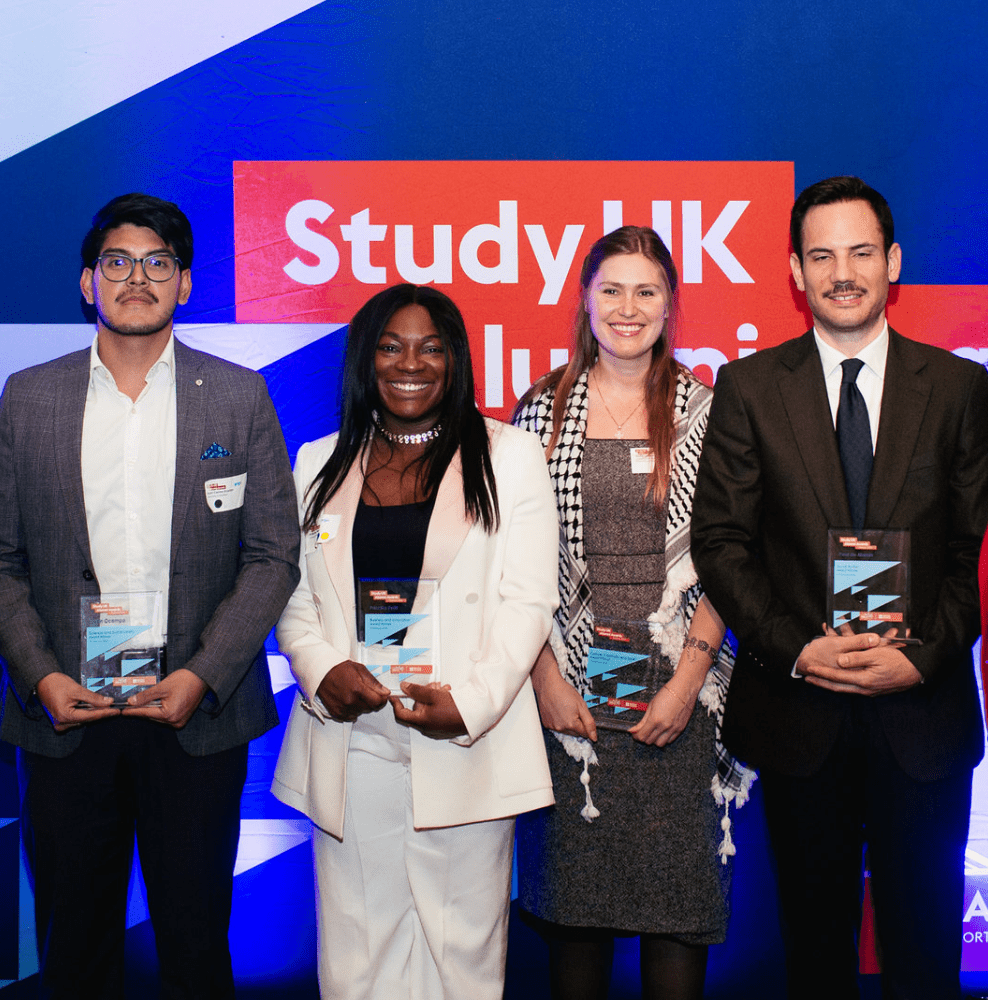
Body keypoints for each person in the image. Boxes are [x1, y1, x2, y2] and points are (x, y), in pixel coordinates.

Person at [0, 193, 301, 1000]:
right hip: (64, 714)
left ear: (186, 284)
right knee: (76, 949)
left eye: (158, 262)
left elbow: (272, 556)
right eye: (118, 262)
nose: (138, 277)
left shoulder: (238, 396)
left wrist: (204, 673)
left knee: (197, 948)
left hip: (194, 715)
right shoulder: (28, 398)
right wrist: (40, 675)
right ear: (89, 283)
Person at [692, 176, 988, 999]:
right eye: (822, 255)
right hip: (799, 718)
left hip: (921, 719)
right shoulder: (749, 389)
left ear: (893, 262)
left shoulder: (961, 390)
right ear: (795, 270)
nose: (843, 272)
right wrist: (800, 650)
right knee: (814, 954)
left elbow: (973, 551)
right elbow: (720, 544)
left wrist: (924, 658)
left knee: (925, 954)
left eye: (861, 252)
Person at [270, 283, 559, 1000]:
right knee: (357, 958)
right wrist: (319, 670)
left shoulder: (511, 455)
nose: (411, 362)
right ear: (365, 361)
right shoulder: (317, 462)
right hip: (352, 737)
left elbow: (529, 600)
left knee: (460, 957)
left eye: (431, 347)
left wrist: (471, 702)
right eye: (392, 346)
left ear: (455, 361)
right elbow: (289, 594)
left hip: (462, 738)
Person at [512, 225, 754, 1000]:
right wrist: (546, 680)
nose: (627, 307)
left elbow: (732, 555)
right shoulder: (539, 413)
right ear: (584, 299)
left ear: (670, 306)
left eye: (646, 291)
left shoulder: (710, 412)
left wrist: (686, 683)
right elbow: (510, 568)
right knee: (575, 930)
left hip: (680, 706)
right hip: (569, 708)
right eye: (611, 289)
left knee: (676, 925)